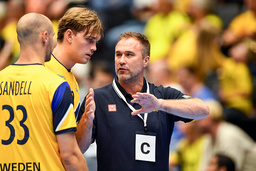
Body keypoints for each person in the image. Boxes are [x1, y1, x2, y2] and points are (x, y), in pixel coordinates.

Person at [77, 32, 209, 171]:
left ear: (145, 61)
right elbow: (79, 148)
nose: (121, 60)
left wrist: (160, 105)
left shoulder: (162, 95)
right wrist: (87, 120)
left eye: (129, 55)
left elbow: (203, 110)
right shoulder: (97, 98)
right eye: (118, 54)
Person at [0, 13, 87, 170]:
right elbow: (70, 155)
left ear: (20, 39)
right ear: (44, 36)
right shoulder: (56, 85)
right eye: (53, 36)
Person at [45, 6, 103, 121]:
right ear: (70, 35)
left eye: (96, 42)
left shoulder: (73, 82)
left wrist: (87, 120)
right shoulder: (42, 69)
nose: (94, 48)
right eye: (89, 40)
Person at [196, 100, 256, 171]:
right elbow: (204, 167)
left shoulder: (229, 135)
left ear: (211, 118)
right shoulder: (208, 138)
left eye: (200, 118)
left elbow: (230, 168)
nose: (197, 122)